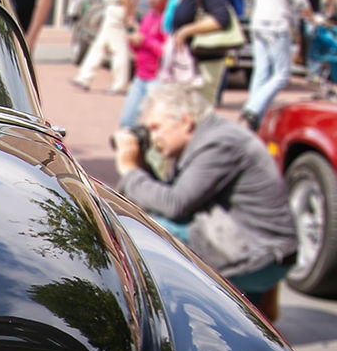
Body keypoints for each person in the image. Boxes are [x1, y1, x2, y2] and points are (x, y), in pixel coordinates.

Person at [113, 83, 297, 320]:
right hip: (252, 243)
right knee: (152, 223)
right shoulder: (210, 136)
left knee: (140, 232)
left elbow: (175, 204)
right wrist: (141, 166)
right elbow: (174, 198)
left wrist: (130, 170)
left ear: (185, 121)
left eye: (156, 128)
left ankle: (149, 318)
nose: (154, 137)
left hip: (262, 256)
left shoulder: (219, 143)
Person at [240, 0, 314, 130]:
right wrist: (310, 16)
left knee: (261, 71)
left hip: (259, 22)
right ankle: (254, 108)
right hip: (276, 23)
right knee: (282, 74)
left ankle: (253, 115)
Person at [72, 0, 138, 93]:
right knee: (100, 45)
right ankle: (84, 77)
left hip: (116, 7)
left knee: (118, 48)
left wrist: (129, 14)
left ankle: (119, 84)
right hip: (118, 8)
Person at [118, 0, 170, 130]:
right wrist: (134, 41)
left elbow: (165, 51)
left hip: (157, 78)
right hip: (141, 76)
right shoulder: (149, 17)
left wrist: (144, 41)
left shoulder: (167, 19)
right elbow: (138, 46)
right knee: (127, 121)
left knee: (153, 124)